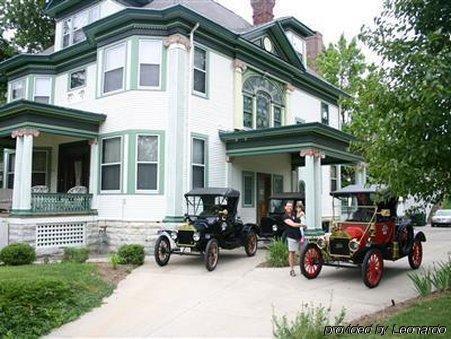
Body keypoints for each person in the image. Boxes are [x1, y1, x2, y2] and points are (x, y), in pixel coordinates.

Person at [283, 201, 306, 277]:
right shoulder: (285, 217)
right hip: (291, 237)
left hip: (299, 236)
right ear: (285, 207)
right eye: (288, 206)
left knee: (301, 253)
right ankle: (292, 270)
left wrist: (301, 215)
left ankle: (302, 269)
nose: (289, 207)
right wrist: (302, 225)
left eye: (291, 206)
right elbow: (293, 224)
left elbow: (297, 219)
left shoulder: (294, 214)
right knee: (292, 253)